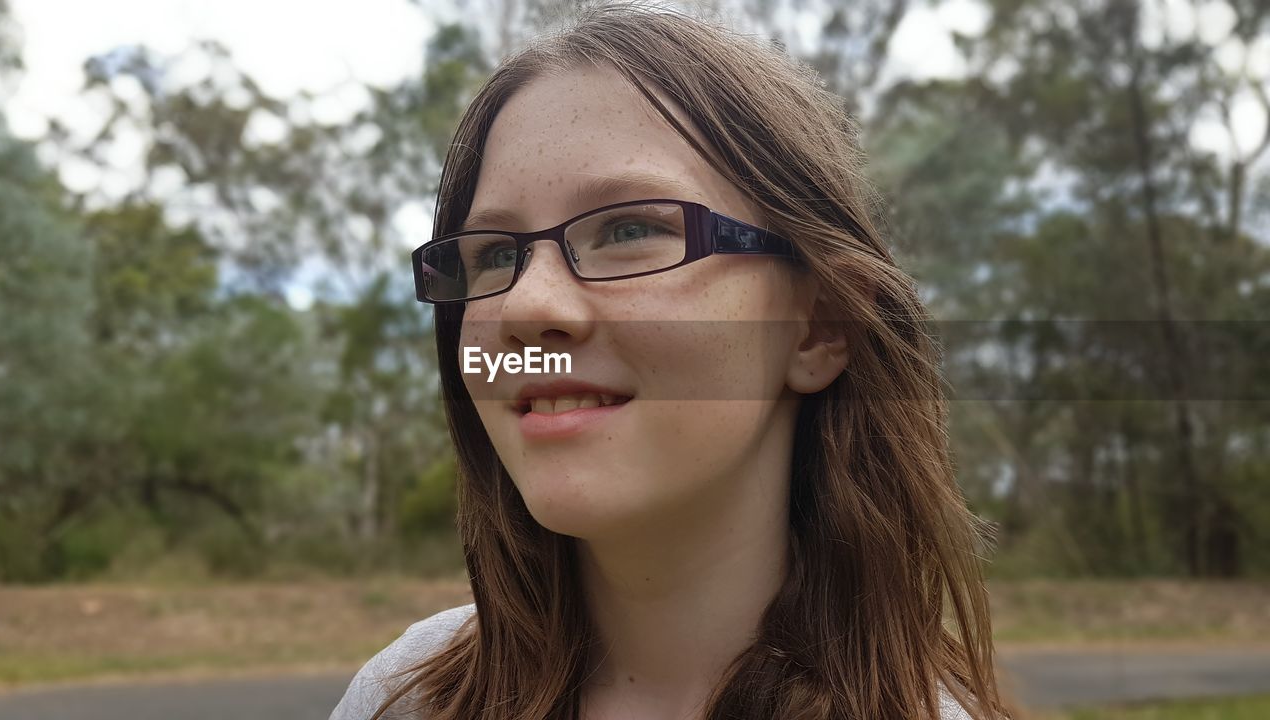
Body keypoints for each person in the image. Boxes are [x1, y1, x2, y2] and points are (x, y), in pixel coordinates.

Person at [332, 2, 1016, 719]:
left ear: (818, 327)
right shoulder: (400, 697)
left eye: (629, 229)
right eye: (495, 254)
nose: (528, 308)